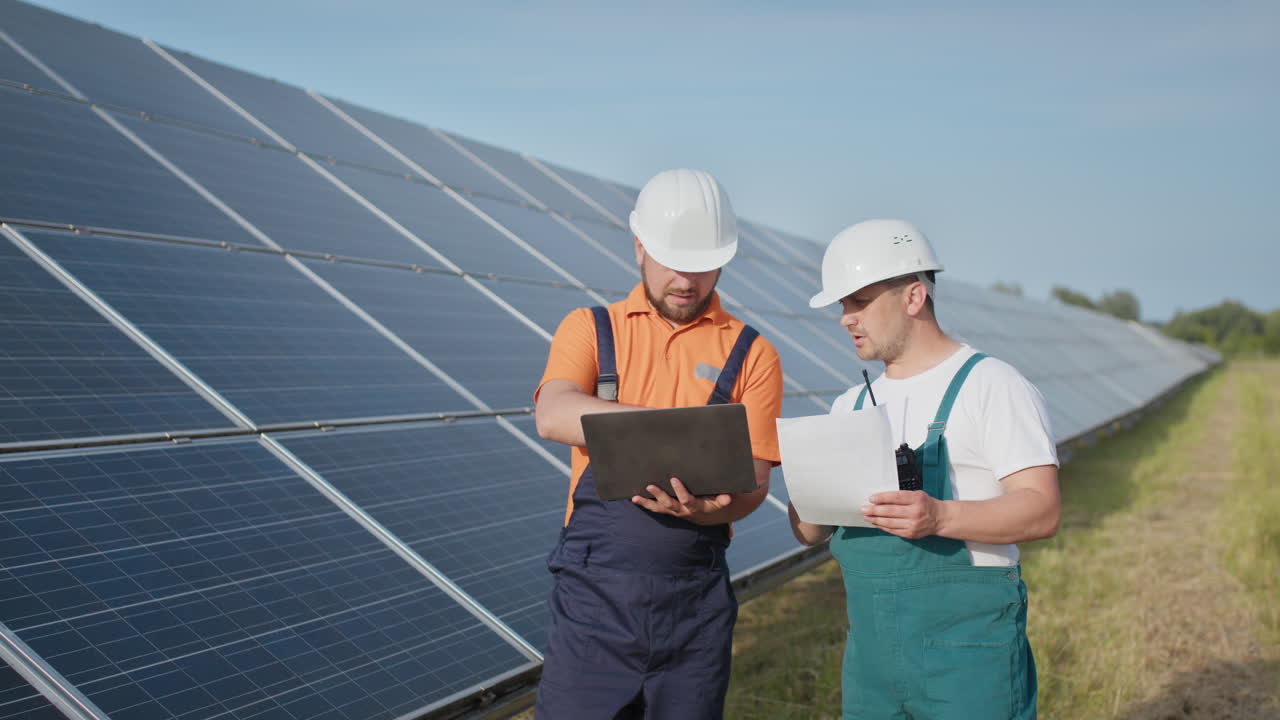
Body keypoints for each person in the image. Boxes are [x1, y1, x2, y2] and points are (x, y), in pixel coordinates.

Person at [532, 168, 784, 719]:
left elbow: (755, 484)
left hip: (693, 606)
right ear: (640, 246)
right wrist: (670, 430)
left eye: (703, 265)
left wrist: (704, 512)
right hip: (593, 603)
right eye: (673, 261)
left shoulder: (753, 353)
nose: (687, 281)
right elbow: (552, 415)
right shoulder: (592, 327)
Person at [788, 218, 1061, 720]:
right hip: (870, 664)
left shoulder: (991, 385)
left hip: (966, 658)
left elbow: (1042, 509)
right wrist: (803, 495)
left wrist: (939, 518)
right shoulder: (849, 406)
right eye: (843, 306)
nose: (846, 318)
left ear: (914, 297)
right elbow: (809, 531)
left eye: (860, 301)